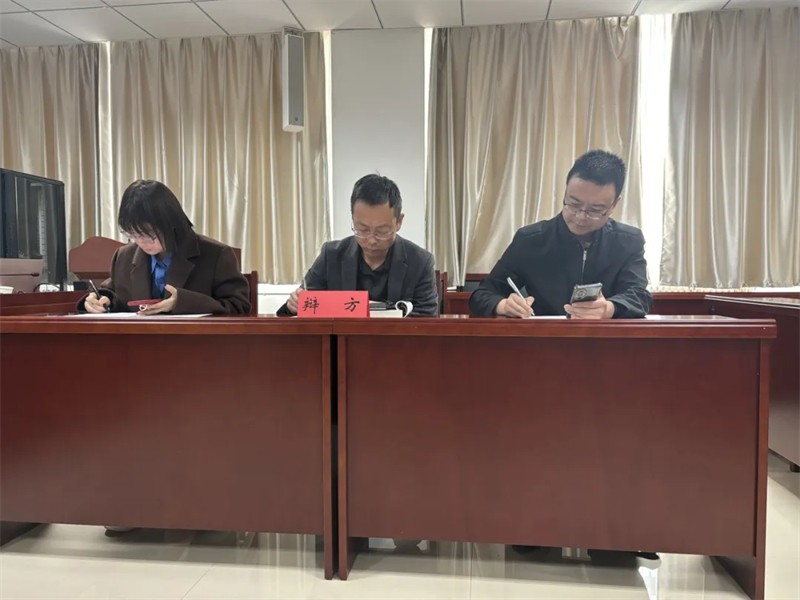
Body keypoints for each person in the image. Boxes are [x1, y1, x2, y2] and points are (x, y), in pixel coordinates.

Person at [469, 150, 652, 319]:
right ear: (565, 192)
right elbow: (483, 294)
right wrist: (503, 305)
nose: (581, 216)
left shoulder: (628, 241)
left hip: (606, 340)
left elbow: (639, 297)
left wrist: (609, 308)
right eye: (573, 204)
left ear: (614, 205)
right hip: (543, 339)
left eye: (595, 210)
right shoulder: (530, 239)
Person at [79, 180, 250, 317]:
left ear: (172, 224)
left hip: (195, 346)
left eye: (149, 234)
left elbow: (239, 306)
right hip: (136, 346)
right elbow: (113, 294)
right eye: (133, 234)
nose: (141, 242)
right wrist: (101, 300)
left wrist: (182, 303)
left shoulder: (216, 255)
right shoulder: (124, 257)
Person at [277, 174, 438, 316]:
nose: (371, 240)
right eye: (362, 230)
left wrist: (374, 309)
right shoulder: (331, 256)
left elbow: (427, 318)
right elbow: (305, 303)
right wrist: (294, 304)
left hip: (397, 341)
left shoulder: (420, 262)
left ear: (399, 222)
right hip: (340, 341)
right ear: (353, 219)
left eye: (381, 231)